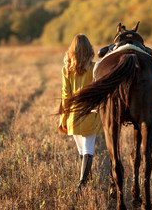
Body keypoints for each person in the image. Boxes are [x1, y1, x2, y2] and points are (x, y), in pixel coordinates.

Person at [60, 34, 103, 192]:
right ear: (89, 50)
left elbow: (66, 94)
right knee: (88, 150)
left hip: (73, 114)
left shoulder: (67, 69)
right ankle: (81, 185)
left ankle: (86, 183)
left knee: (82, 151)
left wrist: (64, 116)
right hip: (90, 113)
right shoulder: (94, 68)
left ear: (73, 50)